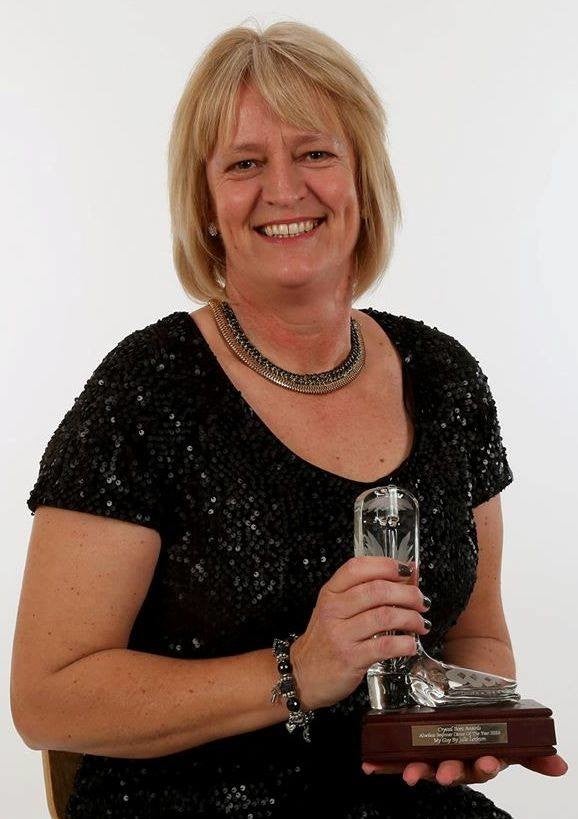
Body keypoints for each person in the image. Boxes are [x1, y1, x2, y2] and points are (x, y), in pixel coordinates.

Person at [11, 19, 567, 819]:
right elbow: (46, 698)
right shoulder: (147, 391)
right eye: (244, 163)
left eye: (315, 153)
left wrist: (464, 726)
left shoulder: (445, 379)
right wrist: (297, 670)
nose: (284, 189)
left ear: (361, 180)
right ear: (207, 204)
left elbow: (480, 636)